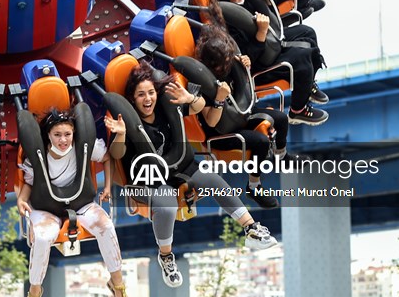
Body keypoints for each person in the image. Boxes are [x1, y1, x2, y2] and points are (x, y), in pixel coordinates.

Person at [112, 61, 277, 270]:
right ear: (132, 99)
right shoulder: (126, 121)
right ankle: (166, 257)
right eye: (141, 95)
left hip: (180, 165)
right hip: (151, 177)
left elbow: (200, 108)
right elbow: (116, 154)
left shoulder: (166, 105)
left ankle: (251, 229)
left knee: (214, 180)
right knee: (168, 205)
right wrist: (120, 135)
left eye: (151, 93)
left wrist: (190, 98)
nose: (148, 99)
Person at [17, 109, 130, 297]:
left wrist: (106, 187)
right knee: (42, 238)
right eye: (57, 135)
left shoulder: (83, 147)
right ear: (49, 135)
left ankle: (117, 281)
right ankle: (34, 291)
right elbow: (29, 181)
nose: (63, 140)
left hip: (80, 203)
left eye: (67, 134)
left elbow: (106, 158)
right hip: (47, 208)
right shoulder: (39, 154)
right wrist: (22, 200)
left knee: (106, 226)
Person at [194, 16, 288, 206]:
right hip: (221, 133)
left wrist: (245, 67)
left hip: (240, 115)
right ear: (213, 65)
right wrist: (219, 99)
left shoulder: (230, 66)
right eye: (224, 63)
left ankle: (282, 156)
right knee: (261, 142)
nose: (228, 65)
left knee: (281, 118)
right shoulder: (201, 83)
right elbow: (211, 122)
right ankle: (254, 187)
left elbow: (245, 90)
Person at [220, 0, 329, 126]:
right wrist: (261, 33)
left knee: (308, 33)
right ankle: (298, 111)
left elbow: (269, 13)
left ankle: (308, 85)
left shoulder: (246, 0)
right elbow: (247, 55)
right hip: (260, 63)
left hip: (271, 43)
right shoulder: (229, 23)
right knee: (303, 56)